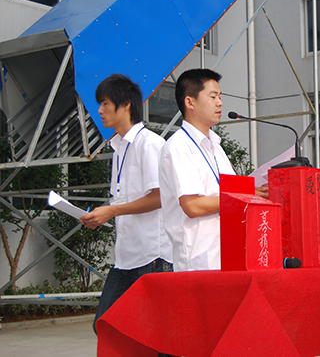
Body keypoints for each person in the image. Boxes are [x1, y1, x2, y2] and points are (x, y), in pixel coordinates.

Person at [80, 74, 173, 333]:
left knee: (160, 335)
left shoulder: (150, 144)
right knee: (106, 326)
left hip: (153, 257)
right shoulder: (119, 148)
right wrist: (103, 215)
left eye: (105, 103)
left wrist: (111, 211)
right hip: (126, 257)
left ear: (126, 105)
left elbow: (160, 197)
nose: (100, 110)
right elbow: (125, 200)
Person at [159, 68, 267, 272]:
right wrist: (245, 195)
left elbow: (228, 193)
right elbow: (193, 206)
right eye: (213, 96)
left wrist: (254, 193)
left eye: (220, 96)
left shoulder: (215, 146)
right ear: (190, 102)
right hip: (199, 261)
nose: (220, 103)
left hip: (229, 254)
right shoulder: (178, 147)